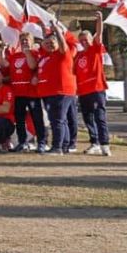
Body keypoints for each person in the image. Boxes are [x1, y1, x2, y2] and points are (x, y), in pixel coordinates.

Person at [29, 21, 79, 155]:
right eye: (47, 42)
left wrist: (57, 30)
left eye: (52, 42)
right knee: (59, 120)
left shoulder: (62, 54)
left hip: (60, 91)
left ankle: (57, 147)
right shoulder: (45, 56)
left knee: (57, 120)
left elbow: (63, 45)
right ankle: (64, 145)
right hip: (48, 93)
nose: (49, 44)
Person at [74, 13, 111, 156]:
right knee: (87, 118)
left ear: (91, 39)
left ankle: (105, 144)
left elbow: (99, 35)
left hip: (96, 89)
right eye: (81, 40)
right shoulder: (78, 56)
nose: (84, 42)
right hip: (83, 92)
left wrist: (99, 20)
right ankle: (94, 142)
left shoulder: (95, 50)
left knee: (99, 117)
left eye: (86, 39)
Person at [6, 34, 46, 153]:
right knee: (19, 120)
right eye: (22, 40)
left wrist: (28, 52)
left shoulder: (35, 53)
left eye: (26, 40)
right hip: (18, 94)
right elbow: (8, 69)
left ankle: (41, 142)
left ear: (32, 42)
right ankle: (22, 142)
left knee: (37, 119)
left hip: (32, 94)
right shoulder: (14, 56)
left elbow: (33, 66)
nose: (24, 42)